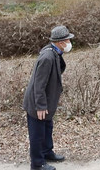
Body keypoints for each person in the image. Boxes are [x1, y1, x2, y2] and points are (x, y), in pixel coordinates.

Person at [23, 25, 74, 170]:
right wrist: (41, 106)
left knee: (47, 127)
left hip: (46, 101)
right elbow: (38, 85)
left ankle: (47, 152)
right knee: (37, 133)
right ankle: (37, 164)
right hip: (37, 102)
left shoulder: (55, 53)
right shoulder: (47, 57)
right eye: (68, 40)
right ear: (60, 42)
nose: (70, 43)